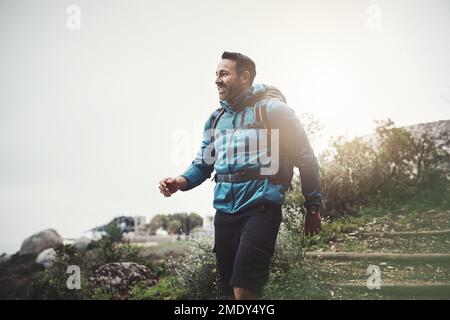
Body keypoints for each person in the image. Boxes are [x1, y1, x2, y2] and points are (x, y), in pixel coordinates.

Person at [159, 51, 322, 300]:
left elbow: (306, 159)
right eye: (216, 74)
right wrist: (180, 181)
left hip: (261, 208)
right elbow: (203, 165)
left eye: (224, 74)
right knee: (227, 294)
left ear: (244, 77)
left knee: (244, 290)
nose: (217, 80)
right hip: (225, 212)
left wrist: (313, 207)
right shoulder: (216, 120)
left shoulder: (274, 112)